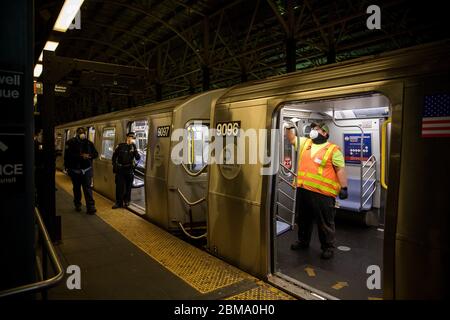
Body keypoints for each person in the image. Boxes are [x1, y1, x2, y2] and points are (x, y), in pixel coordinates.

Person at [285, 122, 348, 260]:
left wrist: (344, 187)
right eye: (313, 128)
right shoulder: (305, 143)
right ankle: (303, 241)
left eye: (317, 129)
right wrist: (289, 126)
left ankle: (328, 247)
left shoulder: (333, 150)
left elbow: (340, 169)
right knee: (303, 219)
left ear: (325, 133)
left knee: (324, 222)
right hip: (304, 190)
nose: (313, 131)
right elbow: (291, 138)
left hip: (323, 194)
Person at [64, 127, 98, 214]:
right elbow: (68, 156)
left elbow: (95, 154)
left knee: (87, 188)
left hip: (86, 170)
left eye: (83, 132)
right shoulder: (70, 143)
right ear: (77, 133)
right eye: (80, 132)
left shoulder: (89, 143)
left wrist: (89, 155)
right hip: (75, 170)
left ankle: (91, 207)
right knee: (77, 188)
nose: (82, 134)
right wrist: (80, 156)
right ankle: (77, 204)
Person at [112, 132, 141, 209]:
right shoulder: (120, 146)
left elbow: (138, 158)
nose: (132, 139)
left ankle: (127, 201)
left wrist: (135, 149)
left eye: (133, 138)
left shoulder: (133, 147)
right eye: (131, 137)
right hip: (120, 169)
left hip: (129, 169)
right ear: (127, 137)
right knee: (119, 187)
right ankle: (118, 202)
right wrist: (115, 166)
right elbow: (114, 157)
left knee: (128, 187)